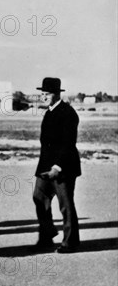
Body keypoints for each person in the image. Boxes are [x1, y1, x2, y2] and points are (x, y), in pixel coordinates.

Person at [31, 77, 81, 253]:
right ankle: (47, 235)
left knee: (65, 204)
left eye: (46, 94)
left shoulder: (68, 113)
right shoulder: (49, 112)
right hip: (45, 166)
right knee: (39, 197)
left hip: (63, 167)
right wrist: (44, 168)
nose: (43, 97)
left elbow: (68, 144)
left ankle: (71, 242)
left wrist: (57, 167)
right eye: (41, 94)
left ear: (56, 94)